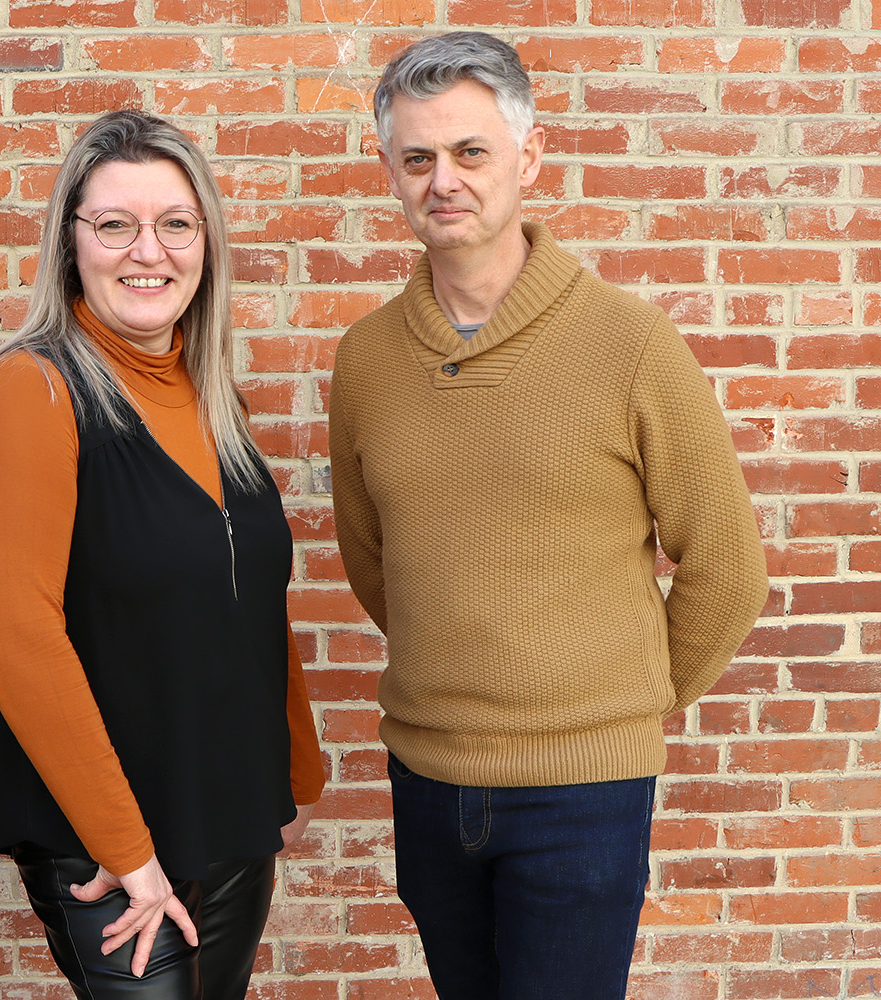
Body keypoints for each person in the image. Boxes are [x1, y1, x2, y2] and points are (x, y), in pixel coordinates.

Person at [328, 32, 769, 1000]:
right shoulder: (363, 360)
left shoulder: (631, 342)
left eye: (471, 151)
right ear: (391, 173)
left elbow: (729, 568)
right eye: (419, 157)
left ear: (529, 159)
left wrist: (622, 705)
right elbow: (376, 560)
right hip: (429, 780)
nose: (444, 179)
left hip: (582, 794)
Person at [0, 109, 326, 999]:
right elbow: (16, 638)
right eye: (115, 225)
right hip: (109, 846)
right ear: (71, 243)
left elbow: (244, 589)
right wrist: (132, 854)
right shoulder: (31, 389)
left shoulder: (209, 399)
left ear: (206, 242)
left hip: (226, 818)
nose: (147, 252)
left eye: (174, 224)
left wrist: (291, 764)